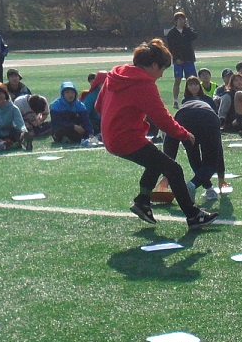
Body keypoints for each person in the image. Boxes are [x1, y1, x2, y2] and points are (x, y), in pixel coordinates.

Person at [93, 38, 218, 230]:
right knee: (174, 169)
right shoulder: (143, 83)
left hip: (111, 136)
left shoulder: (115, 75)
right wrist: (185, 134)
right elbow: (162, 119)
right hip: (126, 138)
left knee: (158, 161)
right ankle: (193, 215)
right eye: (162, 69)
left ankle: (143, 201)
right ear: (153, 65)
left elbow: (98, 106)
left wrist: (118, 121)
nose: (160, 75)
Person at [162, 78, 227, 205]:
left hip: (183, 118)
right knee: (210, 164)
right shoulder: (209, 110)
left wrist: (166, 173)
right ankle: (192, 185)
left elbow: (170, 143)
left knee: (193, 156)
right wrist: (221, 176)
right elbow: (218, 152)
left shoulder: (185, 105)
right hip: (208, 119)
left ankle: (208, 189)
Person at [164, 11, 198, 107]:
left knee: (191, 80)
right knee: (177, 80)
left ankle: (191, 98)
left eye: (183, 19)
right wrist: (176, 58)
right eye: (179, 19)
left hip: (189, 59)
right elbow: (171, 48)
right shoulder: (172, 33)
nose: (182, 21)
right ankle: (175, 100)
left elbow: (195, 36)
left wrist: (188, 27)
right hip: (178, 61)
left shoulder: (188, 31)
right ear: (176, 21)